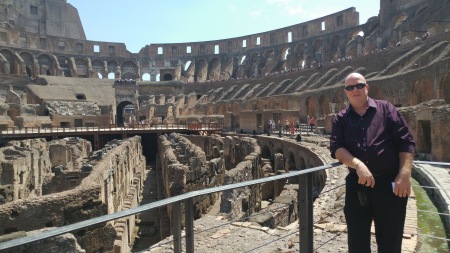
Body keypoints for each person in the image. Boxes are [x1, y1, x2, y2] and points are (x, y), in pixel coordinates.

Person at [329, 73, 416, 253]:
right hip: (358, 184)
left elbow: (406, 142)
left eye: (359, 85)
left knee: (390, 242)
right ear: (345, 92)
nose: (355, 90)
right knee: (357, 242)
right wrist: (358, 164)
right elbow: (337, 148)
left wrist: (405, 174)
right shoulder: (341, 119)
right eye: (350, 88)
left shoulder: (386, 110)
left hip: (389, 184)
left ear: (367, 87)